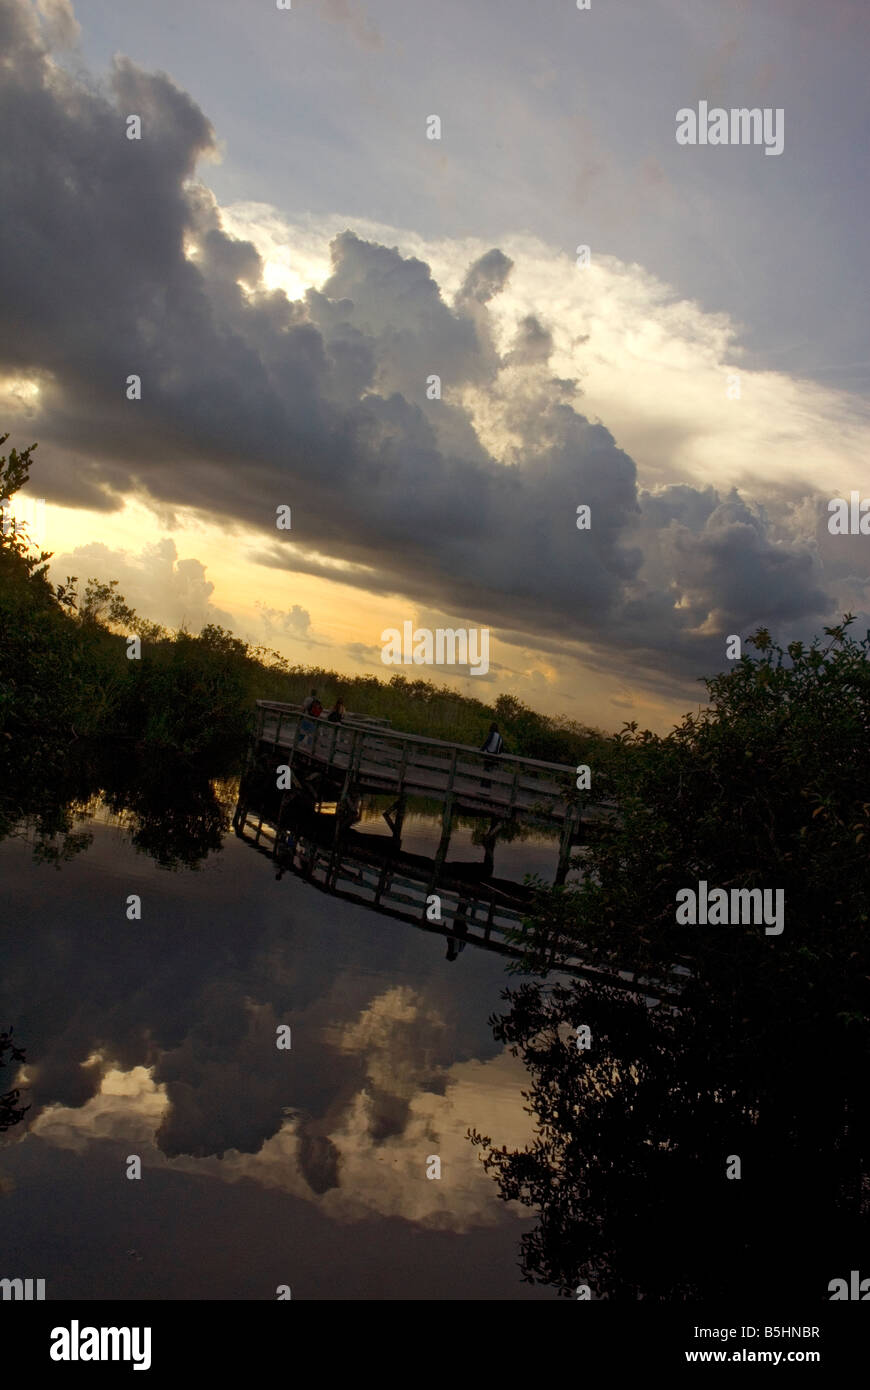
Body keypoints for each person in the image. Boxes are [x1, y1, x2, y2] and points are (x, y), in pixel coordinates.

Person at [480, 722, 504, 791]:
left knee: (485, 772)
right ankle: (488, 788)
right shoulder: (500, 737)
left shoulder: (492, 734)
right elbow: (501, 749)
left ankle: (482, 787)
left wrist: (481, 750)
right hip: (495, 757)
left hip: (489, 755)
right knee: (490, 772)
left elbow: (487, 742)